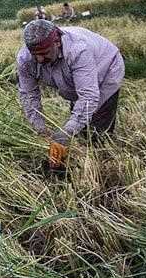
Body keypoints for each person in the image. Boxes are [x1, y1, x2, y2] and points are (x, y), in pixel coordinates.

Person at [16, 20, 124, 169]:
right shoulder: (25, 59)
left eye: (44, 53)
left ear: (57, 43)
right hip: (73, 82)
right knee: (78, 124)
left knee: (95, 130)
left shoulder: (78, 51)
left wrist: (66, 132)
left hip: (106, 70)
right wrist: (40, 129)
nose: (40, 60)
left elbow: (88, 97)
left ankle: (101, 165)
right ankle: (73, 155)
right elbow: (29, 95)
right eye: (36, 55)